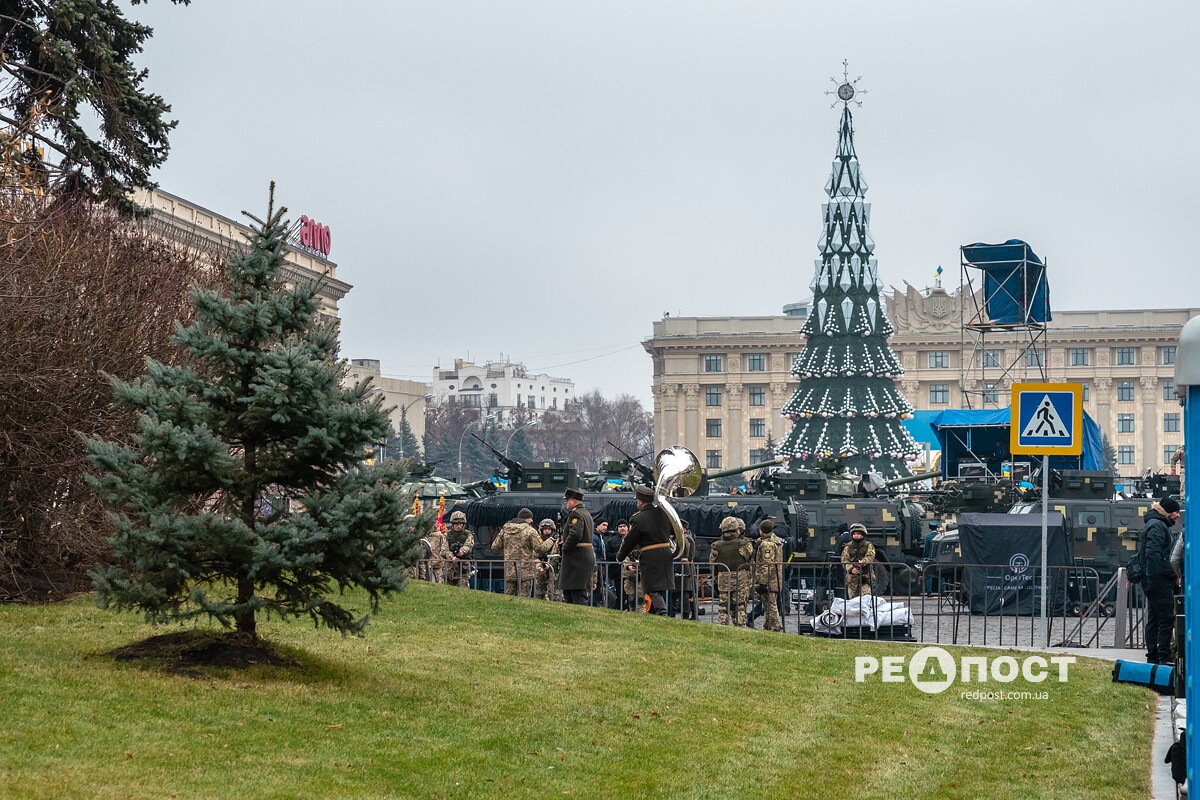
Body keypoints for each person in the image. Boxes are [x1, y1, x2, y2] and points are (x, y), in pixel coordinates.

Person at [617, 485, 674, 615]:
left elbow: (629, 542)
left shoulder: (638, 518)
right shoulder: (664, 514)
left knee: (652, 588)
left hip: (651, 556)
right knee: (659, 588)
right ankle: (655, 615)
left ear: (641, 501)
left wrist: (619, 557)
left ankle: (662, 613)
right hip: (666, 554)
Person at [1141, 497, 1182, 664]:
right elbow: (1154, 555)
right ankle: (1163, 656)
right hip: (1159, 580)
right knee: (1165, 618)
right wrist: (1170, 573)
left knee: (1155, 618)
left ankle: (1153, 655)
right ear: (1168, 512)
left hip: (1154, 579)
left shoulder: (1155, 524)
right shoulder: (1158, 526)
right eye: (1176, 512)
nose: (1178, 515)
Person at [491, 508, 553, 597]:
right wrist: (551, 540)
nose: (532, 520)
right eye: (530, 518)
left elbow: (495, 548)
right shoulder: (530, 531)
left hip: (510, 571)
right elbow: (540, 548)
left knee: (509, 599)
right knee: (524, 600)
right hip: (525, 572)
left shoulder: (505, 529)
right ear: (525, 519)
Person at [710, 516, 753, 626]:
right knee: (741, 605)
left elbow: (713, 563)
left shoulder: (716, 546)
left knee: (723, 606)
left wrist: (716, 578)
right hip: (741, 579)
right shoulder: (744, 544)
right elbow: (750, 558)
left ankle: (722, 626)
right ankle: (741, 626)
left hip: (723, 579)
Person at [558, 488, 596, 605]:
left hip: (577, 559)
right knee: (572, 592)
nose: (566, 503)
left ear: (574, 501)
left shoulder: (576, 514)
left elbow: (575, 534)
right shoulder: (585, 513)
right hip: (581, 557)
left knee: (577, 593)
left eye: (567, 500)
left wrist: (565, 546)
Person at [754, 519, 785, 632]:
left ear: (762, 530)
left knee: (771, 605)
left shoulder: (767, 545)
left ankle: (775, 626)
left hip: (769, 581)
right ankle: (767, 627)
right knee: (767, 605)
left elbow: (767, 564)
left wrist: (762, 582)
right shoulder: (776, 542)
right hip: (775, 579)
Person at [841, 523, 875, 598]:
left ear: (863, 535)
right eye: (854, 534)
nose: (856, 535)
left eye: (858, 534)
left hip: (865, 577)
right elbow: (844, 560)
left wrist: (862, 562)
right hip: (852, 579)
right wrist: (851, 569)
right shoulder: (848, 547)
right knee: (853, 601)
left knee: (866, 598)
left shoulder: (868, 545)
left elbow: (870, 556)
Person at [443, 510, 475, 587]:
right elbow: (444, 550)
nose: (458, 526)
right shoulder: (447, 535)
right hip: (449, 568)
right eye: (456, 524)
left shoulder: (468, 534)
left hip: (463, 568)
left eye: (460, 524)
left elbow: (468, 545)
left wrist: (462, 551)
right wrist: (451, 557)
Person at [534, 519, 561, 601]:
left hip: (553, 570)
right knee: (539, 593)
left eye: (549, 529)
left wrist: (549, 566)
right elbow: (534, 556)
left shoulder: (557, 541)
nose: (547, 531)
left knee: (553, 593)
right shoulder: (537, 541)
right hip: (541, 571)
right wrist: (540, 568)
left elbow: (557, 556)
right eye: (545, 529)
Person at [678, 520, 698, 621]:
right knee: (688, 592)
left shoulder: (687, 538)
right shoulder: (687, 538)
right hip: (688, 566)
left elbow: (690, 555)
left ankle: (692, 613)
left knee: (686, 592)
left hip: (687, 567)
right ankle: (693, 613)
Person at [592, 520, 609, 606]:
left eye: (606, 525)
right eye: (603, 525)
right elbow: (594, 553)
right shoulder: (594, 537)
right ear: (597, 526)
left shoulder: (600, 537)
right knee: (596, 588)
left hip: (601, 566)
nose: (605, 527)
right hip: (597, 566)